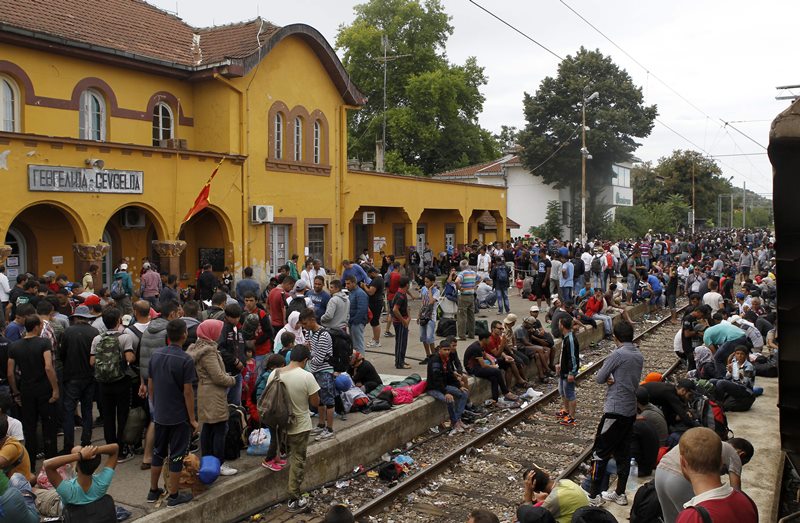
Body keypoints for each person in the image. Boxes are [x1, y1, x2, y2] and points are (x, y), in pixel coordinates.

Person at [586, 321, 644, 507]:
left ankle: (594, 495)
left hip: (614, 409)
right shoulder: (638, 354)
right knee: (623, 453)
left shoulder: (617, 354)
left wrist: (611, 377)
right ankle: (620, 493)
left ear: (615, 337)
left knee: (600, 452)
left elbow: (599, 378)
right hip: (629, 410)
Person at [146, 319, 197, 507]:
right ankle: (174, 495)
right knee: (176, 455)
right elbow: (188, 392)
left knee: (158, 452)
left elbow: (150, 385)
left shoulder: (156, 355)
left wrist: (155, 405)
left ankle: (153, 490)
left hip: (160, 414)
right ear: (184, 335)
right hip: (178, 416)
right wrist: (192, 419)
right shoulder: (185, 360)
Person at [265, 344, 320, 514]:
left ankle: (291, 490)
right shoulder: (306, 376)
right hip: (299, 426)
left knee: (286, 455)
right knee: (297, 459)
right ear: (305, 360)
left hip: (279, 426)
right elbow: (315, 403)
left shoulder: (275, 373)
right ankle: (294, 497)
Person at [656, 429, 755, 523]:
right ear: (741, 454)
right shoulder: (733, 454)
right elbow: (735, 493)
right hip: (678, 481)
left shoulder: (710, 444)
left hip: (659, 473)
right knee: (697, 515)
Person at [187, 320, 237, 477]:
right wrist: (232, 379)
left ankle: (208, 463)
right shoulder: (208, 352)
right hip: (213, 394)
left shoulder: (198, 348)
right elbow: (217, 377)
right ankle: (219, 463)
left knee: (207, 428)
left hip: (204, 392)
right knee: (219, 429)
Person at [7, 315, 58, 469]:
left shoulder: (15, 346)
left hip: (26, 391)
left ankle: (30, 466)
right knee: (49, 426)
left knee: (29, 427)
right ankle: (51, 465)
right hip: (44, 390)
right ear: (36, 326)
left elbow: (10, 373)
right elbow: (48, 367)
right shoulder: (44, 343)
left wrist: (16, 392)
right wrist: (55, 389)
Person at [90, 307, 135, 460]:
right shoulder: (124, 337)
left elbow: (92, 361)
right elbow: (129, 358)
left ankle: (110, 449)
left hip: (103, 383)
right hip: (121, 381)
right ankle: (121, 449)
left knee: (108, 417)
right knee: (122, 415)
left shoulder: (97, 339)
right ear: (118, 321)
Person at [58, 305, 99, 453]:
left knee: (68, 410)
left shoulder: (68, 332)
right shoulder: (94, 332)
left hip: (71, 376)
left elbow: (62, 354)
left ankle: (69, 445)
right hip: (89, 375)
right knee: (87, 409)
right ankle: (86, 440)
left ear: (75, 318)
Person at [43, 442, 119, 506]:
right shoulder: (102, 483)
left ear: (77, 466)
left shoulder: (70, 490)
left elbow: (47, 465)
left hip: (60, 508)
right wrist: (93, 451)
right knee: (76, 449)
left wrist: (80, 455)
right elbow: (115, 448)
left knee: (35, 490)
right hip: (88, 509)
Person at [300, 308, 336, 441]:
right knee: (319, 400)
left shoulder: (324, 335)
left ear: (312, 320)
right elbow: (310, 351)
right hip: (315, 371)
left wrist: (308, 360)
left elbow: (319, 358)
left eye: (305, 323)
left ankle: (330, 428)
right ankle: (321, 425)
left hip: (325, 371)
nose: (304, 327)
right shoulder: (310, 333)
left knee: (329, 401)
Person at [427, 340, 469, 435]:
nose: (447, 352)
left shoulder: (446, 359)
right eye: (445, 350)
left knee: (464, 393)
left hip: (444, 386)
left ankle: (457, 419)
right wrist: (445, 392)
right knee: (450, 400)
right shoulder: (435, 361)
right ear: (440, 350)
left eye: (448, 350)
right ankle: (454, 422)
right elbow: (436, 380)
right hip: (434, 388)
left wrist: (459, 386)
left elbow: (450, 374)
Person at [463, 330, 517, 403]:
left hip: (478, 365)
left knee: (494, 378)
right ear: (484, 339)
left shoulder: (480, 345)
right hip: (473, 369)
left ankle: (495, 400)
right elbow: (483, 365)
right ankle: (506, 392)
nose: (490, 340)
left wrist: (492, 361)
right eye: (489, 338)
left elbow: (485, 354)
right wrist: (493, 366)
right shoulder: (476, 348)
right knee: (497, 371)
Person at [521, 465, 588, 523]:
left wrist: (528, 492)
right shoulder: (566, 482)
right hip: (587, 517)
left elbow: (530, 518)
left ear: (537, 491)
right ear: (547, 474)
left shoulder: (553, 500)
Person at [557, 316, 579, 426]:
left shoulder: (570, 339)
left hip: (568, 371)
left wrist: (572, 372)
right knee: (562, 390)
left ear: (562, 325)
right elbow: (563, 354)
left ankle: (572, 417)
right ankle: (566, 410)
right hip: (563, 369)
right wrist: (559, 364)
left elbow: (573, 357)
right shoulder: (565, 337)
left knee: (569, 393)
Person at [418, 273, 440, 364]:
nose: (426, 284)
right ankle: (427, 355)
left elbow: (431, 302)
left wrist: (430, 290)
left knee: (429, 337)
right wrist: (419, 315)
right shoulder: (423, 289)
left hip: (431, 316)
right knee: (423, 337)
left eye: (427, 282)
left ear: (432, 282)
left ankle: (434, 356)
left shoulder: (436, 291)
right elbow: (423, 303)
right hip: (423, 315)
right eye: (425, 282)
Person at [391, 276, 411, 369]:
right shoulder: (400, 295)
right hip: (400, 322)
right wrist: (403, 321)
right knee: (400, 342)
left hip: (403, 320)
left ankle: (401, 360)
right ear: (407, 284)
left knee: (403, 342)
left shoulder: (402, 293)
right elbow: (395, 309)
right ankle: (399, 363)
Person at [345, 276, 368, 355]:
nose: (346, 286)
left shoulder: (360, 294)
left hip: (357, 323)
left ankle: (361, 362)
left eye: (348, 284)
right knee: (354, 344)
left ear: (354, 283)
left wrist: (355, 321)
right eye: (346, 284)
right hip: (353, 322)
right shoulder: (352, 293)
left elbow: (362, 309)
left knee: (358, 344)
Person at [362, 267, 384, 349]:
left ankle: (377, 341)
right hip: (375, 302)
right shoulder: (378, 279)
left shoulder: (377, 280)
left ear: (373, 272)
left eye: (370, 274)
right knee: (373, 322)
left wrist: (364, 286)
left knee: (375, 322)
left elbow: (371, 292)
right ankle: (375, 338)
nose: (369, 276)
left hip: (376, 303)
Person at [455, 260, 477, 340]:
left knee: (462, 316)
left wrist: (459, 288)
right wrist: (474, 285)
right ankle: (472, 334)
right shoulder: (473, 273)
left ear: (461, 266)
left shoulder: (462, 273)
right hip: (471, 295)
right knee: (471, 316)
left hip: (463, 296)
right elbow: (480, 278)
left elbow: (457, 281)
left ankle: (462, 335)